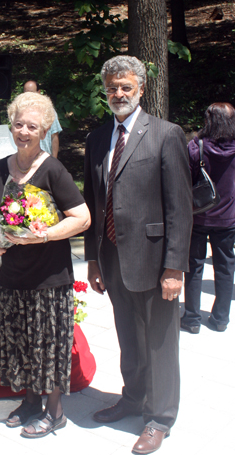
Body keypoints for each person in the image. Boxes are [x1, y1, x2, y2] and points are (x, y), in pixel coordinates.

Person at [83, 56, 192, 455]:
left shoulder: (166, 134)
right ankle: (133, 398)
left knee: (160, 343)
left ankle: (160, 417)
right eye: (112, 87)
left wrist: (175, 267)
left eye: (126, 87)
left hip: (155, 260)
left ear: (141, 89)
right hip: (112, 259)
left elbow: (180, 208)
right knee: (129, 337)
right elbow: (94, 202)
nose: (119, 94)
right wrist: (93, 259)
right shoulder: (97, 139)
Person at [0, 91, 90, 438]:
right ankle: (30, 402)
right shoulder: (1, 168)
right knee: (22, 343)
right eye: (18, 125)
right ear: (10, 127)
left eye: (32, 126)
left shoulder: (53, 169)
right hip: (12, 276)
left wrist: (44, 236)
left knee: (49, 344)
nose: (24, 131)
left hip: (48, 277)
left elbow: (82, 218)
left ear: (44, 130)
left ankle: (55, 412)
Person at [181, 102, 235, 333]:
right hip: (229, 218)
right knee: (225, 268)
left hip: (198, 216)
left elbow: (184, 181)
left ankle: (192, 319)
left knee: (194, 266)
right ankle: (220, 319)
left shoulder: (195, 147)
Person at [23, 80, 62, 157]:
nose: (28, 96)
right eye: (26, 93)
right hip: (25, 159)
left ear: (38, 92)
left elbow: (54, 136)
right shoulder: (19, 112)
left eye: (31, 93)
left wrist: (54, 160)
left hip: (45, 158)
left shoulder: (49, 110)